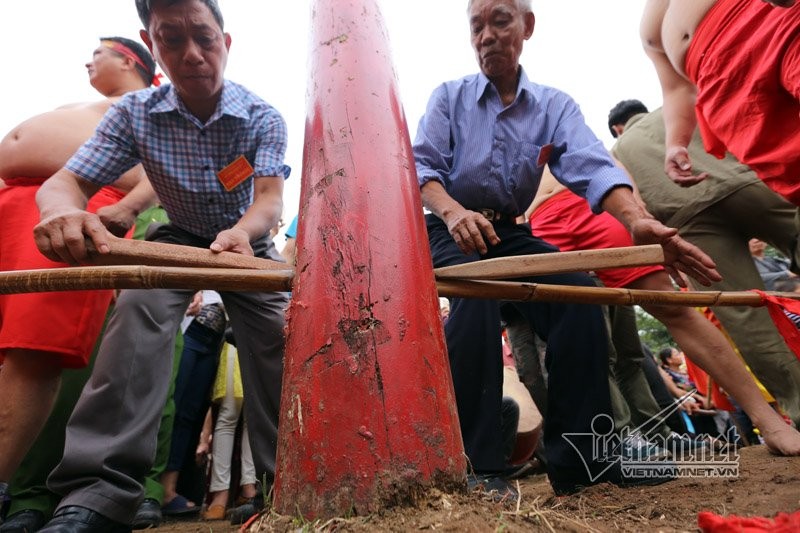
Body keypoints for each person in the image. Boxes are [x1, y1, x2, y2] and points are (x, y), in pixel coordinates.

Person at [412, 0, 723, 498]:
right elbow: (421, 169)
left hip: (509, 232)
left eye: (499, 21)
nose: (487, 36)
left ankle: (581, 462)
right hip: (448, 227)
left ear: (526, 26)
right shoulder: (449, 97)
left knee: (579, 296)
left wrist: (637, 221)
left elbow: (591, 164)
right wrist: (453, 212)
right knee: (475, 296)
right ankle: (478, 464)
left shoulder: (553, 105)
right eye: (476, 27)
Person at [33, 1, 290, 531]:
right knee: (138, 317)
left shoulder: (263, 116)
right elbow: (65, 182)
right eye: (172, 40)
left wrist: (242, 232)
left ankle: (285, 483)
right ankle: (97, 493)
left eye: (204, 37)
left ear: (227, 42)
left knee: (280, 337)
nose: (192, 54)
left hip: (244, 245)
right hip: (173, 239)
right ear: (152, 46)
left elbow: (268, 201)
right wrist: (61, 212)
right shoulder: (133, 115)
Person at [526, 166, 800, 455]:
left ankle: (769, 422)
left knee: (673, 308)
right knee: (573, 334)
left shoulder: (559, 122)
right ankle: (608, 444)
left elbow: (605, 161)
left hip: (592, 201)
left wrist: (637, 211)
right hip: (538, 219)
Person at [0, 36, 157, 531]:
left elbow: (170, 168)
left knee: (32, 351)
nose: (88, 61)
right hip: (17, 197)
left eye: (99, 53)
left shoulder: (154, 104)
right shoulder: (86, 105)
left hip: (80, 209)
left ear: (130, 59)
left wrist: (126, 208)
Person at [609, 102, 800, 428]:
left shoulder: (617, 151)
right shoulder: (677, 110)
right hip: (743, 182)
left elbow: (633, 204)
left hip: (688, 221)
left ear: (616, 128)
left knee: (746, 317)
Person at [640, 0, 800, 204]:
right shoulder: (648, 23)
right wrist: (675, 144)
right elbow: (676, 89)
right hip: (723, 91)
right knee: (790, 171)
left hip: (773, 25)